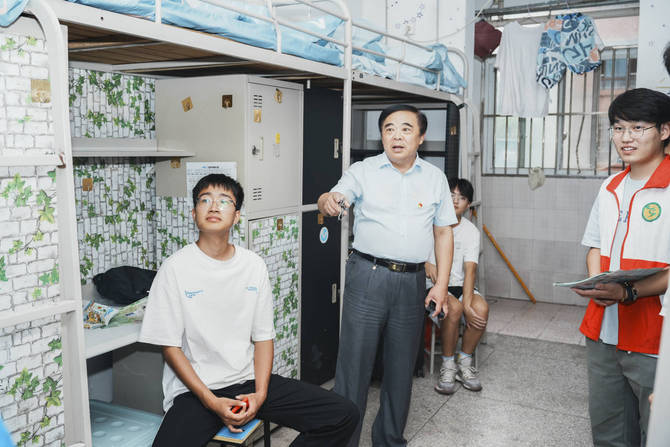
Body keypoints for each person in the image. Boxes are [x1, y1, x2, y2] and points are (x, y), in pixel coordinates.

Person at [139, 174, 359, 447]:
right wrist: (211, 401)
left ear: (236, 216)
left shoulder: (253, 265)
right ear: (194, 214)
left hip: (248, 381)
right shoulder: (174, 268)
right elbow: (170, 348)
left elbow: (264, 337)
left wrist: (260, 394)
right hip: (196, 391)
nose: (214, 206)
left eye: (224, 200)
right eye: (205, 200)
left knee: (342, 414)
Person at [318, 104, 457, 447]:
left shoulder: (434, 178)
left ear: (421, 137)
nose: (397, 135)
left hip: (412, 282)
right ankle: (344, 441)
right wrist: (328, 200)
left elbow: (443, 233)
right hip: (368, 276)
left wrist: (440, 286)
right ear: (381, 135)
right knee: (353, 368)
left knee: (400, 369)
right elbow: (335, 196)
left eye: (406, 129)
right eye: (389, 128)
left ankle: (390, 439)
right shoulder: (363, 171)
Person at [572, 88, 670, 446]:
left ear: (664, 130)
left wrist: (628, 292)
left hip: (654, 336)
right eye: (618, 128)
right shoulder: (610, 186)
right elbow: (595, 245)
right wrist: (597, 284)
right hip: (603, 331)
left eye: (638, 127)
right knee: (609, 430)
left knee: (655, 432)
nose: (626, 137)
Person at [427, 178, 488, 395]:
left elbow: (470, 270)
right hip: (433, 286)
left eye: (461, 198)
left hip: (460, 286)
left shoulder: (471, 231)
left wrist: (469, 306)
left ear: (468, 205)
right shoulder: (430, 224)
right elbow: (426, 265)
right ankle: (448, 365)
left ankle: (464, 363)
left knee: (480, 309)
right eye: (451, 196)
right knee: (453, 308)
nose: (455, 201)